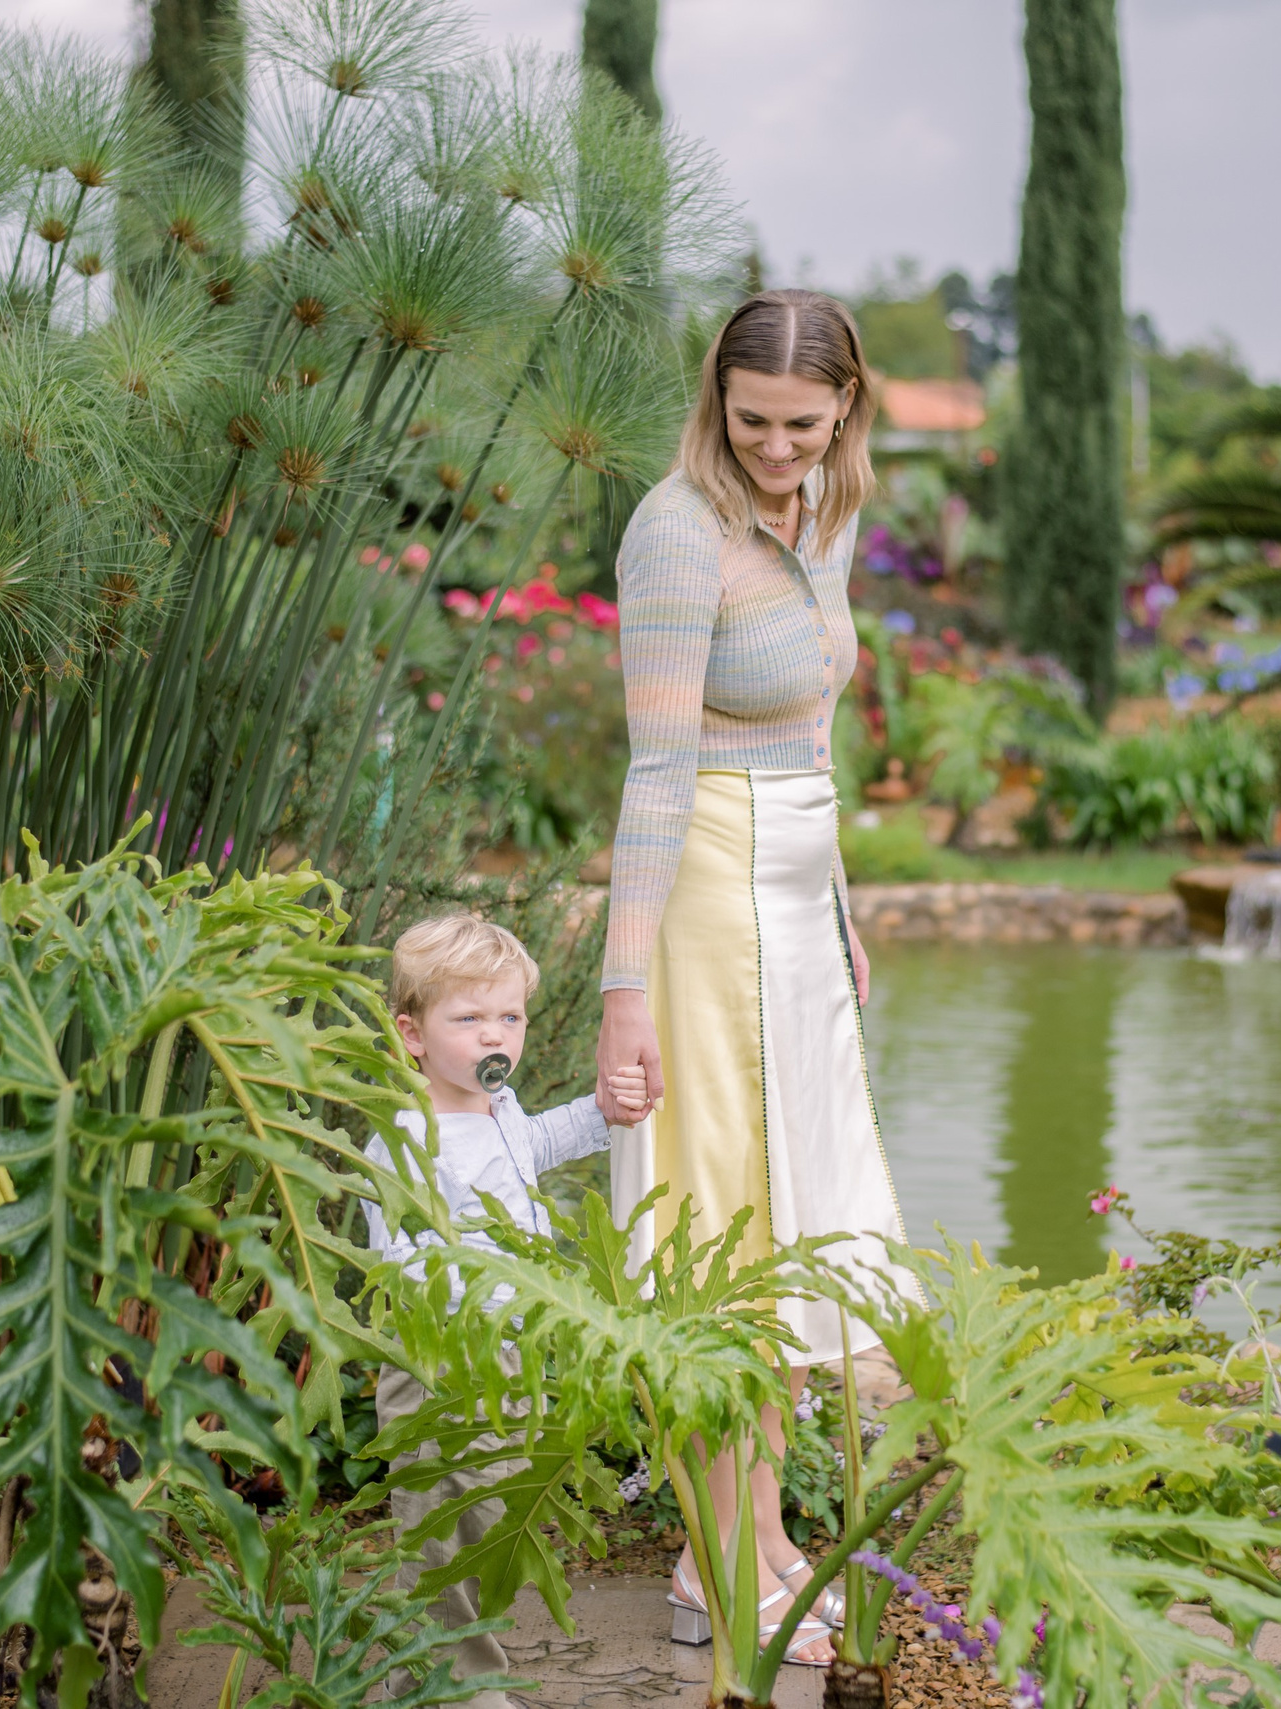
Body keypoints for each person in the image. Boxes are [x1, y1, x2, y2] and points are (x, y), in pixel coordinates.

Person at [593, 289, 917, 1669]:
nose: (775, 448)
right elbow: (655, 778)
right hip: (710, 897)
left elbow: (821, 738)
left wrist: (838, 908)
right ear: (714, 403)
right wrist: (620, 994)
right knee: (719, 1224)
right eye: (751, 423)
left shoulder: (824, 513)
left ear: (845, 407)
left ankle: (756, 1538)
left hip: (797, 888)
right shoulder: (677, 534)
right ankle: (725, 1553)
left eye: (802, 423)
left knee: (794, 1222)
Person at [365, 913, 631, 1709]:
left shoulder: (498, 1106)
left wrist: (599, 1114)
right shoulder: (406, 1135)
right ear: (412, 1034)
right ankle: (456, 1682)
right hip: (444, 1358)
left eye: (510, 1016)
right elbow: (401, 1257)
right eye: (470, 1017)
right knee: (443, 1514)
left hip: (509, 1352)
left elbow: (532, 1147)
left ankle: (432, 1663)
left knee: (492, 1506)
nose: (497, 1035)